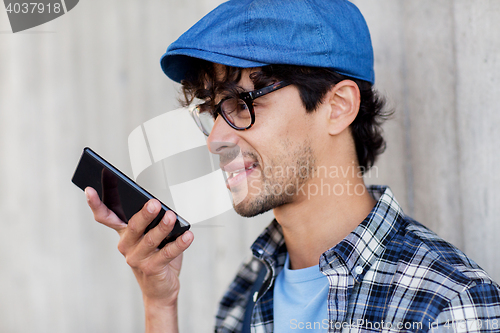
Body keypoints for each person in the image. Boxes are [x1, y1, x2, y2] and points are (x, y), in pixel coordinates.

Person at [84, 0, 500, 332]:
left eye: (243, 104)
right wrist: (160, 304)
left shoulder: (447, 304)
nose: (215, 140)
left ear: (338, 107)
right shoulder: (246, 291)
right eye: (214, 111)